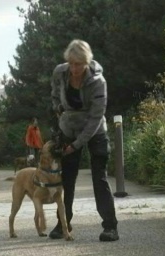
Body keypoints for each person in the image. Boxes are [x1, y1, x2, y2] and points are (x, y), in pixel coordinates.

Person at [49, 39, 119, 241]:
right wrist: (58, 109)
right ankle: (64, 223)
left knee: (100, 177)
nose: (74, 68)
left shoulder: (98, 82)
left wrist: (76, 145)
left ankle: (110, 226)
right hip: (69, 127)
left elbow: (95, 118)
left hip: (94, 130)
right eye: (71, 63)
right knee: (67, 179)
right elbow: (54, 94)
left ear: (87, 62)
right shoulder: (60, 73)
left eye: (78, 64)